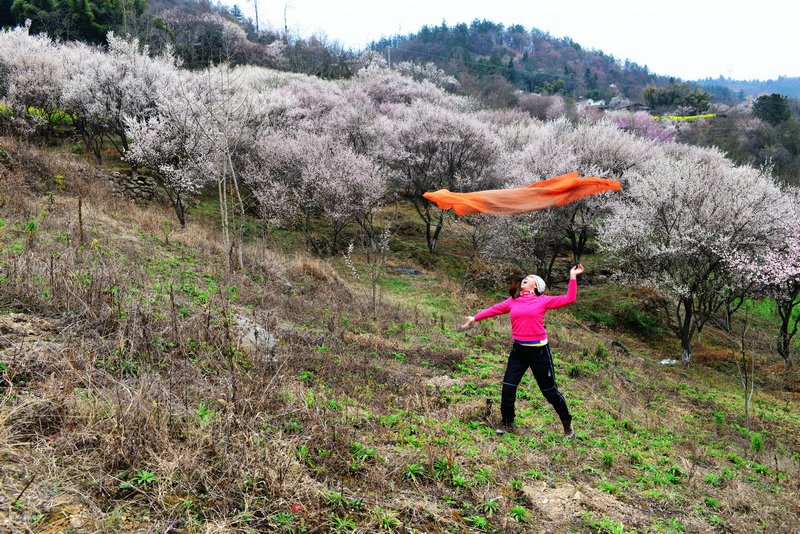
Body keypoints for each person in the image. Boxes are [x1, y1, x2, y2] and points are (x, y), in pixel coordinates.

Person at [459, 264, 585, 438]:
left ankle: (567, 423)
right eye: (526, 277)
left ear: (537, 286)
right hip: (519, 351)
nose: (526, 278)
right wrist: (474, 318)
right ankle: (507, 422)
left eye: (531, 277)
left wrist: (572, 276)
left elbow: (569, 298)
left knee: (549, 392)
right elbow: (494, 310)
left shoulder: (544, 300)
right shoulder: (513, 301)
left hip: (539, 352)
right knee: (508, 387)